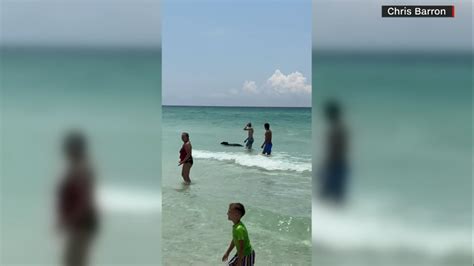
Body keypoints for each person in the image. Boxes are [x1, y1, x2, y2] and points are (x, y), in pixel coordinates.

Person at [56, 130, 99, 266]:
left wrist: (68, 220)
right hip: (80, 222)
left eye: (69, 147)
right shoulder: (78, 167)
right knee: (73, 260)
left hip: (81, 223)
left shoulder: (81, 169)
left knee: (73, 261)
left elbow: (84, 200)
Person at [319, 100, 349, 204]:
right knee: (335, 193)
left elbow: (335, 148)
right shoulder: (340, 127)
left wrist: (328, 162)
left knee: (329, 192)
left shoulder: (336, 129)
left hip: (335, 163)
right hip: (340, 162)